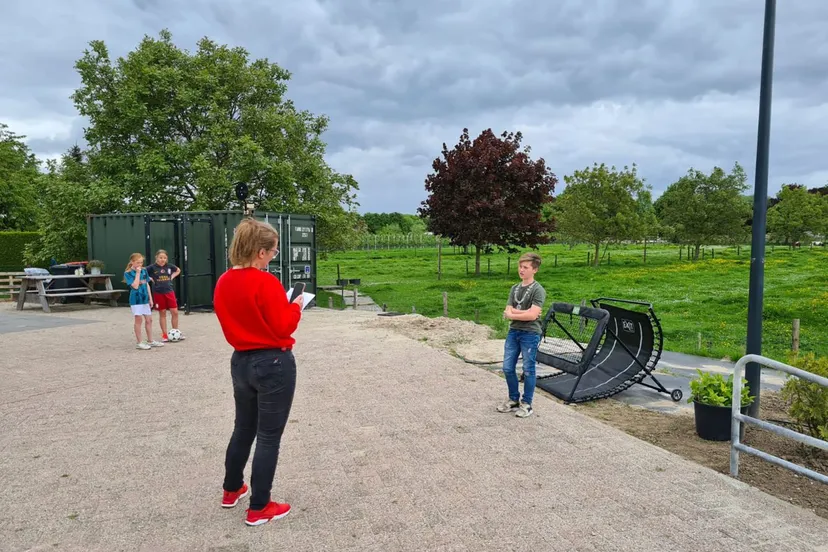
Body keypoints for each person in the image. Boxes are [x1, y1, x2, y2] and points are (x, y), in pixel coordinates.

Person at [213, 218, 304, 526]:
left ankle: (231, 489)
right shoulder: (266, 282)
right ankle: (260, 506)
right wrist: (296, 306)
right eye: (273, 251)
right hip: (273, 362)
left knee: (243, 428)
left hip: (240, 360)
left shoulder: (224, 281)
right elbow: (283, 326)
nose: (272, 257)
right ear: (261, 252)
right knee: (268, 436)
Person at [497, 252, 546, 418]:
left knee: (528, 369)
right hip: (514, 331)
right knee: (507, 367)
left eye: (525, 267)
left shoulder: (538, 290)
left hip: (530, 333)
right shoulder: (515, 288)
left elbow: (532, 316)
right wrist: (523, 313)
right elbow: (508, 310)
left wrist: (514, 314)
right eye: (520, 266)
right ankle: (513, 399)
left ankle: (527, 403)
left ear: (534, 270)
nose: (521, 270)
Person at [124, 253, 164, 350]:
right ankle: (139, 342)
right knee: (138, 320)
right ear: (132, 262)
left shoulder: (144, 270)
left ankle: (150, 340)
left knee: (149, 320)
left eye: (141, 262)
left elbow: (146, 284)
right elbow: (135, 286)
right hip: (136, 299)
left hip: (145, 298)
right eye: (138, 262)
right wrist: (137, 273)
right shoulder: (128, 273)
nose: (140, 265)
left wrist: (150, 298)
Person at [145, 249, 185, 342]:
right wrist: (150, 278)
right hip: (158, 292)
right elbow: (143, 272)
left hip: (169, 291)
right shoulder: (152, 267)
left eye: (164, 258)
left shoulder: (169, 266)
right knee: (162, 313)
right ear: (156, 257)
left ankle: (176, 332)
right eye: (161, 257)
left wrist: (171, 277)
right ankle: (164, 334)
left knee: (174, 312)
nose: (162, 259)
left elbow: (178, 270)